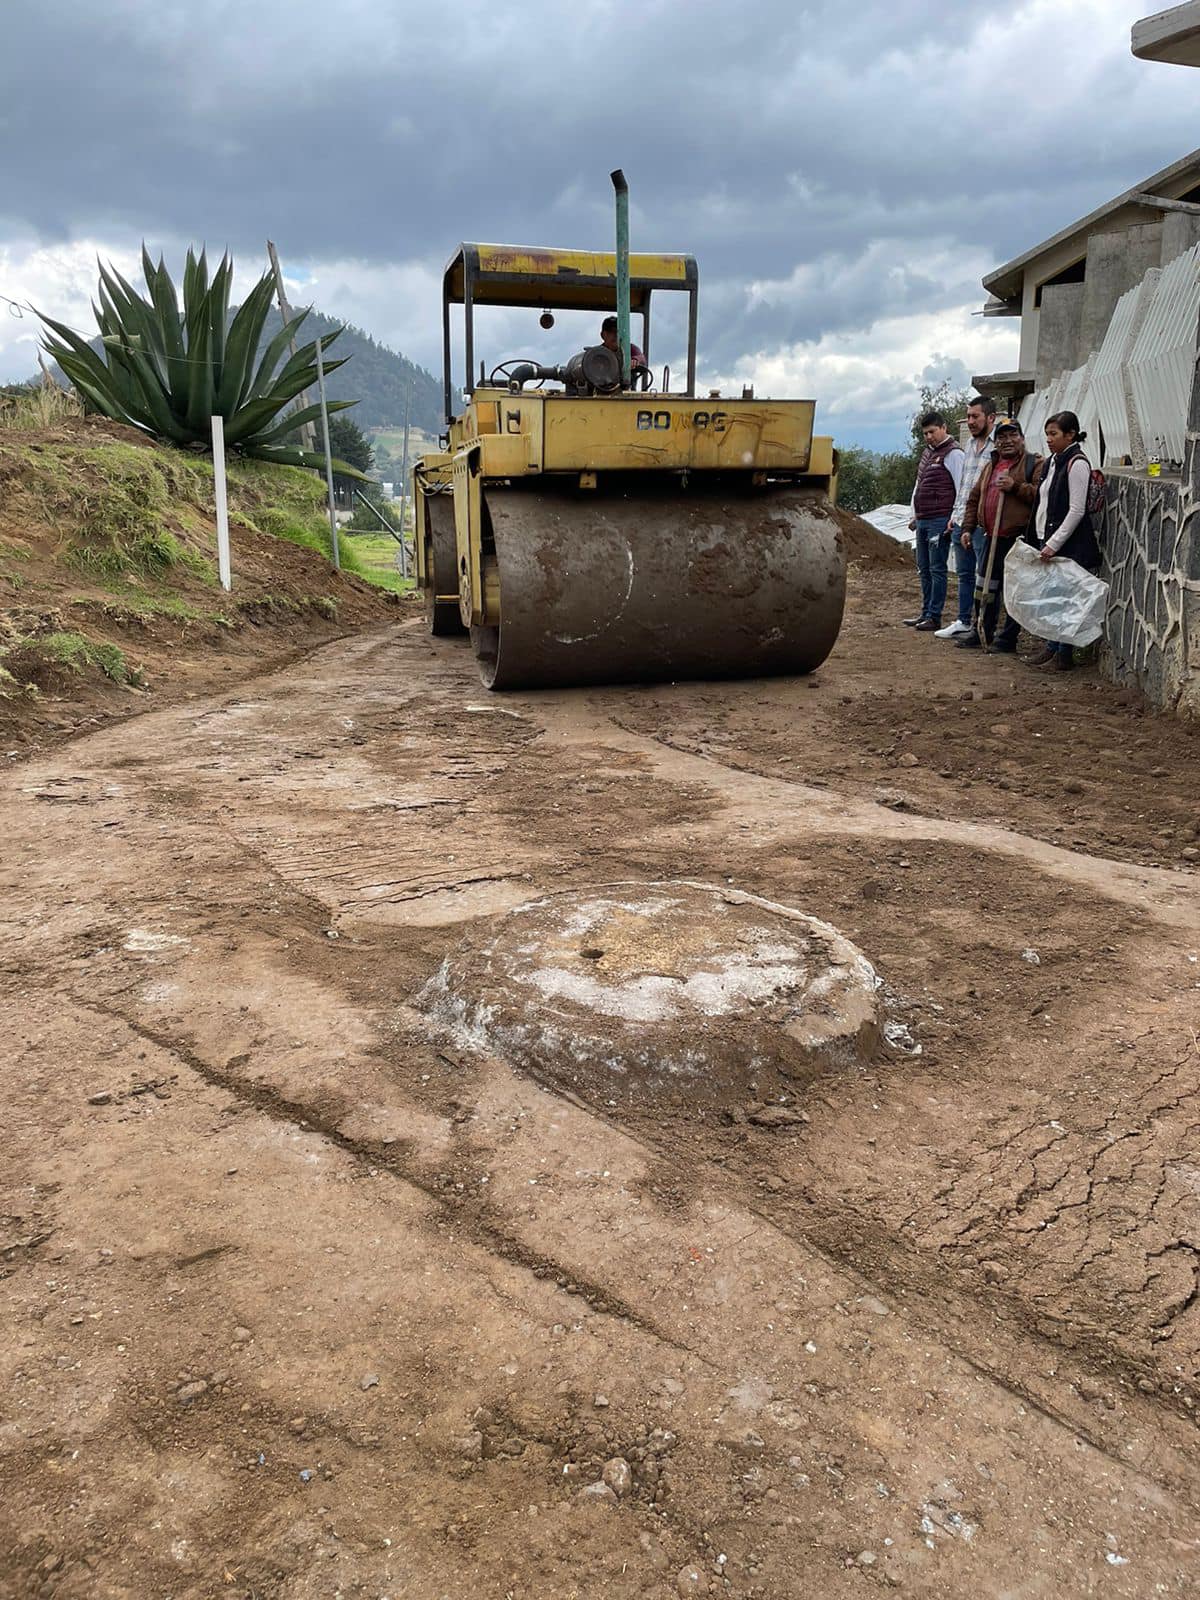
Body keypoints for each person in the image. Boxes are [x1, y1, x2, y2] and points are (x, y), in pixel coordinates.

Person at [1025, 410, 1102, 671]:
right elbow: (1044, 501)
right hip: (1045, 536)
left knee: (1066, 598)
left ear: (1070, 435)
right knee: (1051, 596)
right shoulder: (1052, 462)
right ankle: (1051, 646)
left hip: (1068, 545)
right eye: (1047, 434)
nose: (1048, 439)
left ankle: (1064, 653)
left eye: (1054, 434)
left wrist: (1054, 543)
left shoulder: (1077, 463)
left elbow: (1076, 510)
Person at [956, 418, 1040, 651]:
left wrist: (1014, 486)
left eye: (1012, 435)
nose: (1007, 441)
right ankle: (982, 629)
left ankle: (1008, 639)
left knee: (1014, 591)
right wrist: (967, 528)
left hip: (1017, 540)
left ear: (1022, 438)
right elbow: (974, 499)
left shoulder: (1035, 464)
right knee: (985, 589)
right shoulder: (991, 466)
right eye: (1002, 437)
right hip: (990, 537)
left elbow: (1041, 496)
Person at [935, 395, 997, 639]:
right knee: (964, 574)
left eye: (975, 416)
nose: (970, 421)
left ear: (990, 418)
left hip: (983, 522)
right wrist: (955, 514)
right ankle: (963, 620)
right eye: (968, 416)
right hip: (962, 518)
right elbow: (965, 484)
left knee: (985, 575)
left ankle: (983, 625)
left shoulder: (998, 447)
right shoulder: (970, 445)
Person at [904, 412, 963, 632]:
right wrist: (914, 514)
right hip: (923, 519)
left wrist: (954, 518)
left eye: (932, 432)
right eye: (925, 433)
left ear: (943, 428)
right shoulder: (928, 454)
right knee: (924, 568)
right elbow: (918, 485)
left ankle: (934, 615)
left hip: (940, 518)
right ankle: (925, 612)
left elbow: (960, 487)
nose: (929, 437)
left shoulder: (954, 454)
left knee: (937, 568)